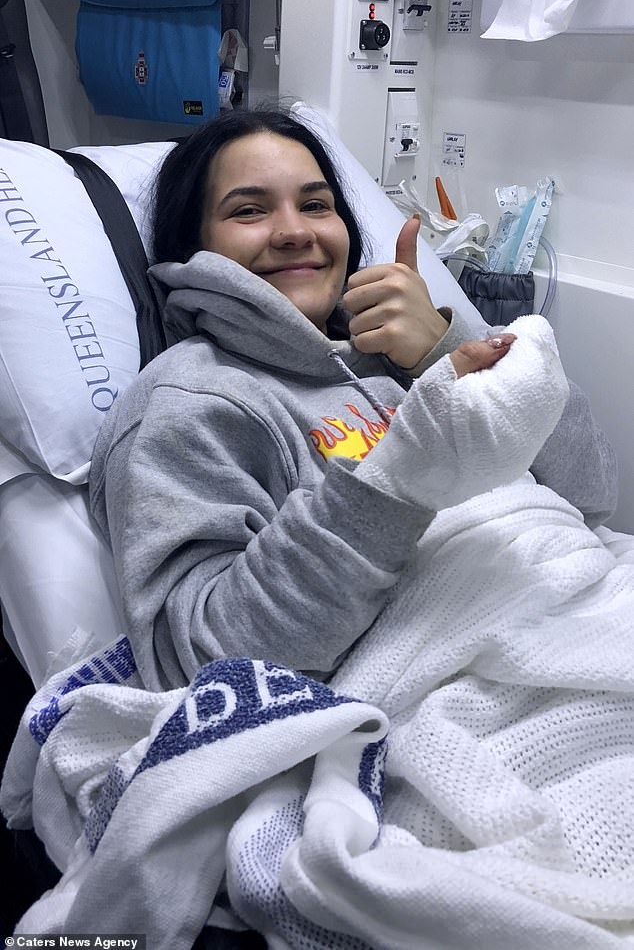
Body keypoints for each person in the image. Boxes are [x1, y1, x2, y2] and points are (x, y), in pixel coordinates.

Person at [88, 107, 617, 693]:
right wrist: (400, 476)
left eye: (316, 205)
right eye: (249, 210)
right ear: (192, 246)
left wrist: (443, 350)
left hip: (578, 610)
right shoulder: (191, 401)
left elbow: (591, 499)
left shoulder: (397, 351)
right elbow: (199, 666)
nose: (296, 231)